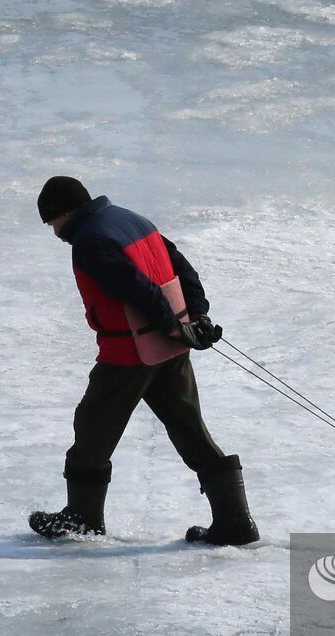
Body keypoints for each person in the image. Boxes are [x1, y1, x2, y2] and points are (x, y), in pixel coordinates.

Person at [28, 176, 259, 546]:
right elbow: (181, 266)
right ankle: (234, 521)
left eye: (52, 222)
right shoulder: (132, 219)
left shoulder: (90, 240)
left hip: (130, 353)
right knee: (189, 429)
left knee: (91, 425)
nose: (54, 231)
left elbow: (134, 287)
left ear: (65, 212)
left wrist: (172, 326)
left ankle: (82, 518)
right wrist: (194, 316)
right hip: (169, 348)